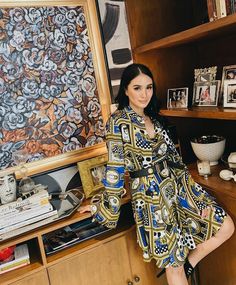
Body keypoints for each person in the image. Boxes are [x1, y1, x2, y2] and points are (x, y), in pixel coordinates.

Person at [79, 63, 235, 285]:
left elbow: (176, 163)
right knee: (174, 266)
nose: (145, 94)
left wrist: (198, 200)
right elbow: (115, 167)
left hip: (176, 189)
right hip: (150, 200)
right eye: (137, 88)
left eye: (149, 87)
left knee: (225, 226)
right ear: (125, 90)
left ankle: (188, 265)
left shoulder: (156, 118)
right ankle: (179, 270)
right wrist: (100, 206)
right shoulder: (117, 122)